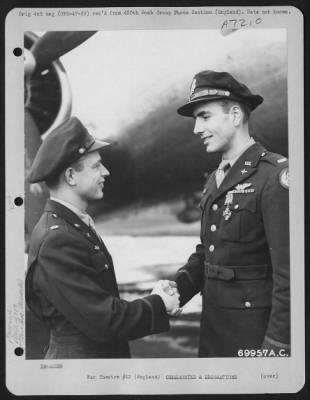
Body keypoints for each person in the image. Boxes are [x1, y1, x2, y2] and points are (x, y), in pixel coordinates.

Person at [25, 116, 179, 359]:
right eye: (97, 166)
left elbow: (97, 303)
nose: (106, 172)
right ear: (71, 176)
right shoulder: (58, 240)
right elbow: (106, 321)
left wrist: (154, 297)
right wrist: (158, 303)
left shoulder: (74, 226)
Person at [168, 70, 290, 357]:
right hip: (214, 336)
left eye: (205, 116)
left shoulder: (274, 177)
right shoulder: (216, 179)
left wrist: (277, 347)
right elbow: (208, 252)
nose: (196, 128)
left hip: (255, 339)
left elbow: (291, 275)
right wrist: (176, 289)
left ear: (235, 115)